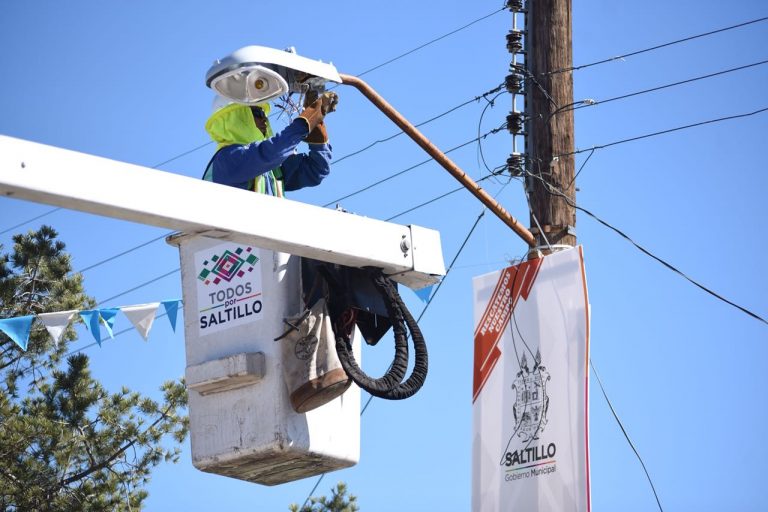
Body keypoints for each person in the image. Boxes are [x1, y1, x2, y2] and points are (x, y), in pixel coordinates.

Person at [203, 91, 338, 196]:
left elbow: (317, 169)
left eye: (264, 114)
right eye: (257, 113)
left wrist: (317, 129)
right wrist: (308, 119)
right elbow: (272, 152)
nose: (264, 120)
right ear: (236, 117)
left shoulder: (271, 169)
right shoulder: (227, 160)